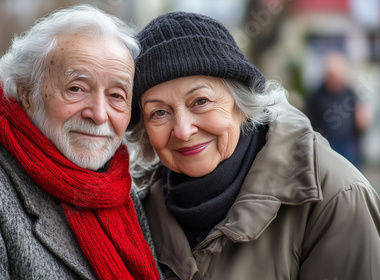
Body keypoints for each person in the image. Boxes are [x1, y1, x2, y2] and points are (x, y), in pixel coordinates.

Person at [0, 5, 161, 280]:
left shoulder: (121, 194)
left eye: (116, 95)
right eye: (76, 88)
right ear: (27, 94)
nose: (99, 114)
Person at [126, 11, 380, 280]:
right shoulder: (135, 209)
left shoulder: (334, 197)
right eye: (159, 113)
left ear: (242, 105)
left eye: (200, 101)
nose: (183, 130)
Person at [306, 50, 373, 169]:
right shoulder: (316, 96)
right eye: (331, 75)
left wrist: (364, 122)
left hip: (349, 147)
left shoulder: (351, 94)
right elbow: (309, 122)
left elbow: (361, 121)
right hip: (326, 146)